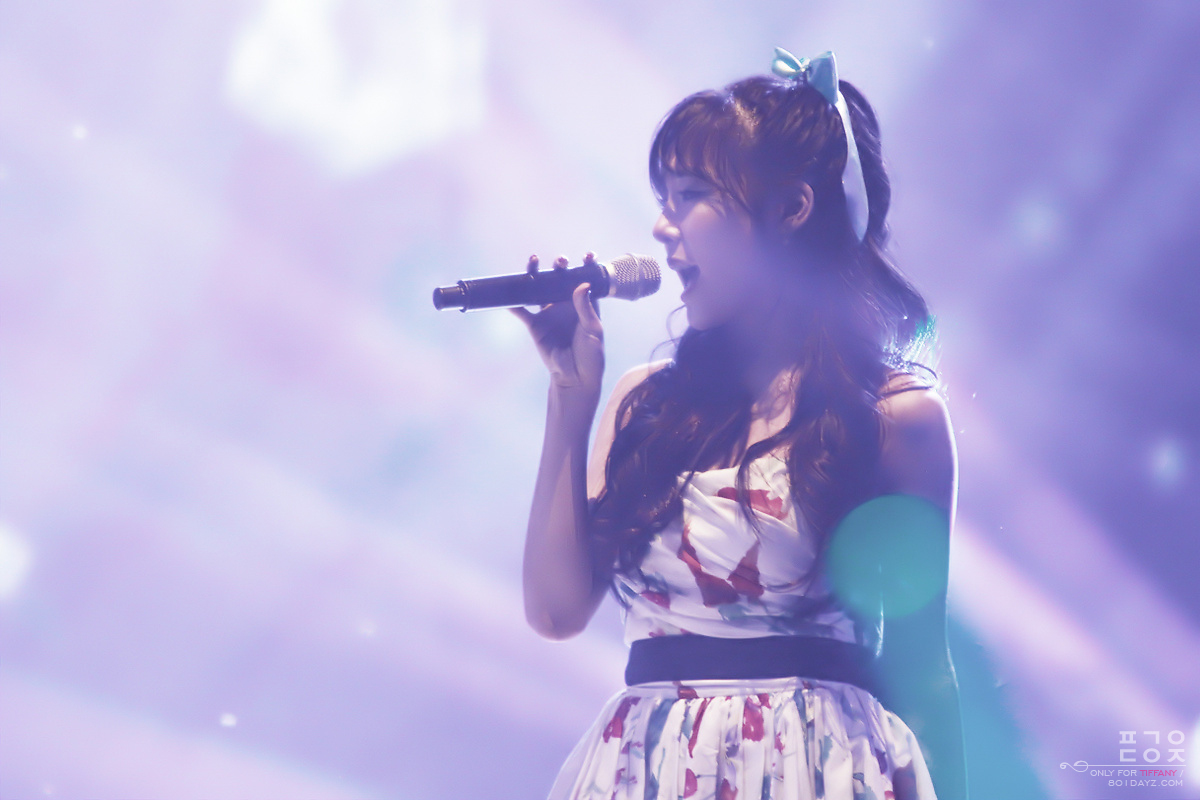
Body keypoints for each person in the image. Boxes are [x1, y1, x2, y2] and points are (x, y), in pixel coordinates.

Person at [512, 48, 968, 800]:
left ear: (791, 210)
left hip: (816, 768)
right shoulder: (644, 405)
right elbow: (555, 611)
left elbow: (924, 666)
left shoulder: (894, 418)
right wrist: (569, 393)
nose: (661, 227)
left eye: (689, 196)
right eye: (662, 197)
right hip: (647, 767)